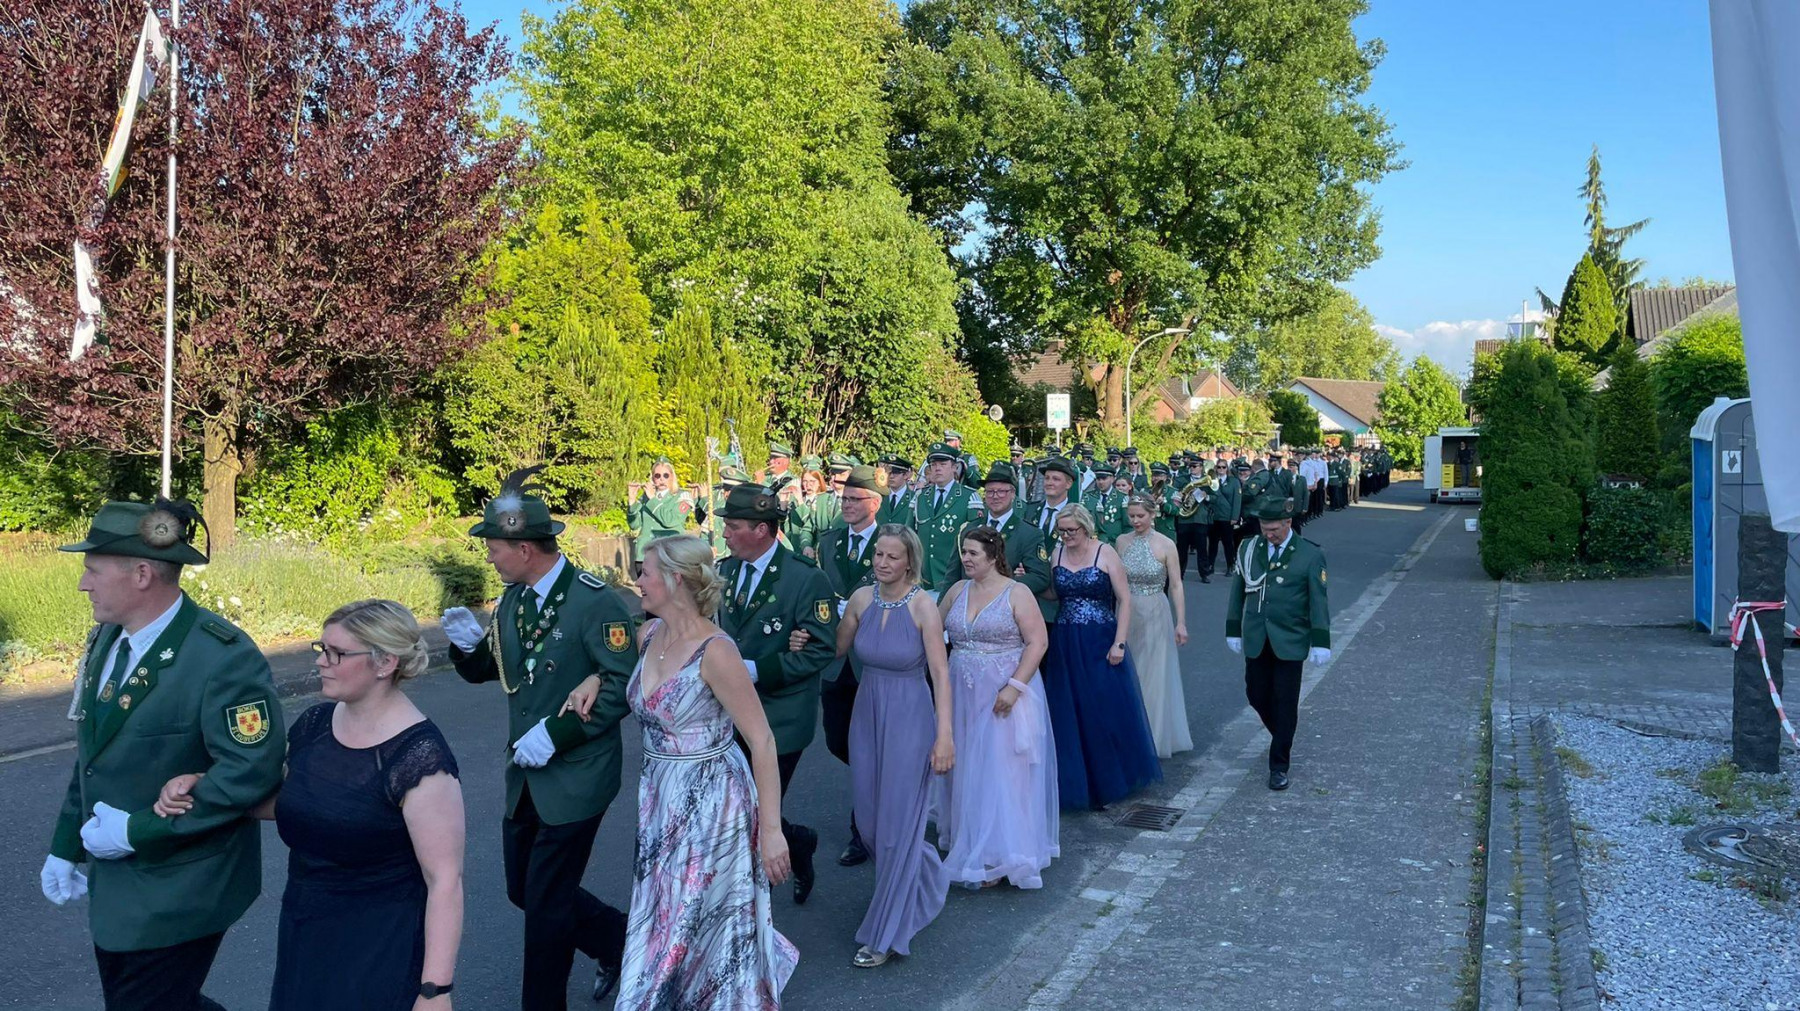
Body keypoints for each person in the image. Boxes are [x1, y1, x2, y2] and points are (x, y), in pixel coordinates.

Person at [155, 601, 464, 1011]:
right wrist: (203, 786)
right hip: (306, 927)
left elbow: (444, 880)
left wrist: (435, 991)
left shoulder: (419, 758)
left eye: (337, 653)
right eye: (322, 648)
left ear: (385, 662)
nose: (320, 661)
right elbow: (296, 803)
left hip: (381, 945)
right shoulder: (316, 724)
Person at [43, 499, 285, 1011]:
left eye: (93, 569)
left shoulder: (222, 657)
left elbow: (251, 771)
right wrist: (66, 844)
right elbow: (94, 753)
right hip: (120, 886)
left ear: (142, 574)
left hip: (184, 885)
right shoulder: (110, 639)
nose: (83, 584)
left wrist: (136, 831)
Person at [566, 535, 798, 1008]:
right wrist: (594, 678)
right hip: (659, 799)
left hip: (713, 805)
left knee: (694, 920)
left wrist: (772, 831)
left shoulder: (716, 651)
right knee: (665, 914)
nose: (638, 580)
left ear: (674, 580)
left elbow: (762, 741)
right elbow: (618, 673)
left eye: (645, 572)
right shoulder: (648, 635)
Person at [439, 466, 637, 1008]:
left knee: (546, 906)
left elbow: (622, 685)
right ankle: (619, 940)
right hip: (526, 775)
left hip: (576, 775)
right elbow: (501, 669)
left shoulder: (594, 601)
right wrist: (467, 648)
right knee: (523, 889)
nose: (489, 558)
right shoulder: (515, 599)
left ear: (525, 549)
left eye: (494, 549)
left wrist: (557, 734)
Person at [834, 524, 954, 967]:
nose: (882, 563)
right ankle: (926, 875)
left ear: (909, 562)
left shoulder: (923, 606)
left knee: (895, 828)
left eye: (892, 556)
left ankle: (885, 935)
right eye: (879, 555)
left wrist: (944, 735)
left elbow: (940, 674)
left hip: (911, 717)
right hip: (866, 714)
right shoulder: (860, 599)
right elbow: (835, 649)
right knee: (869, 825)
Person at [716, 483, 839, 903]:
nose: (725, 533)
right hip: (730, 715)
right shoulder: (724, 571)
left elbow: (820, 650)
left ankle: (751, 911)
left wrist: (754, 670)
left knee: (754, 813)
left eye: (733, 526)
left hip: (779, 717)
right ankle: (797, 841)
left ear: (762, 529)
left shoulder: (805, 578)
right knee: (742, 808)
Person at [937, 526, 1058, 889]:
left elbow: (1038, 643)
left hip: (1003, 694)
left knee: (1000, 770)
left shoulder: (1017, 593)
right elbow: (931, 630)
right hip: (961, 692)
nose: (966, 558)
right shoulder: (957, 591)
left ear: (993, 556)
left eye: (973, 553)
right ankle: (972, 840)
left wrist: (1014, 688)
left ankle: (1001, 854)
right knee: (966, 767)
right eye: (964, 552)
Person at [1037, 504, 1162, 810]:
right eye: (1061, 531)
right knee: (1068, 708)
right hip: (1066, 639)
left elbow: (1124, 599)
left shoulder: (1105, 553)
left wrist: (1119, 642)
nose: (1066, 536)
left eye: (1071, 530)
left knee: (1101, 705)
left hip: (1099, 639)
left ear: (1085, 528)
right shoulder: (1056, 554)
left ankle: (1110, 777)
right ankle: (1076, 779)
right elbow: (1055, 592)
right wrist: (1030, 583)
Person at [1226, 496, 1331, 791]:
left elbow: (1318, 600)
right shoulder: (1249, 548)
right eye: (1264, 528)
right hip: (1257, 636)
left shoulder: (1309, 554)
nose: (1268, 534)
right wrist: (1233, 629)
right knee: (1256, 694)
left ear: (1288, 522)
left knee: (1285, 702)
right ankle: (1283, 735)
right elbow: (1237, 591)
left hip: (1290, 638)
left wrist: (1321, 640)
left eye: (1274, 529)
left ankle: (1279, 765)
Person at [813, 465, 884, 866]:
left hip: (874, 656)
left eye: (856, 499)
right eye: (844, 499)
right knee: (837, 740)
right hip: (837, 658)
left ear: (875, 503)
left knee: (868, 742)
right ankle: (880, 784)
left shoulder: (890, 541)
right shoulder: (830, 541)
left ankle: (864, 829)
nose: (848, 505)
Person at [1116, 499, 1193, 759]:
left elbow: (1176, 585)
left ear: (1153, 514)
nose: (1135, 521)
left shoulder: (1166, 544)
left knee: (1153, 674)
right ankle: (1130, 732)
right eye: (1131, 516)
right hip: (1126, 612)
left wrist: (1181, 622)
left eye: (1140, 515)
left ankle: (1153, 736)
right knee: (1129, 671)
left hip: (1155, 612)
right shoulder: (1121, 542)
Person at [911, 442, 984, 594]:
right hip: (923, 580)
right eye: (933, 464)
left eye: (943, 464)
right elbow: (909, 535)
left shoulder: (969, 496)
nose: (937, 468)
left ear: (954, 467)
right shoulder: (920, 497)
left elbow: (977, 540)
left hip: (955, 580)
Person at [626, 458, 692, 579]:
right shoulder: (645, 497)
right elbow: (634, 525)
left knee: (669, 590)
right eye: (657, 476)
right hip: (644, 554)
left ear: (672, 477)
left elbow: (670, 520)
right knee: (646, 590)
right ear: (652, 478)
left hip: (669, 555)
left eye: (665, 475)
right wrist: (632, 501)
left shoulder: (682, 496)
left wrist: (653, 500)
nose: (661, 479)